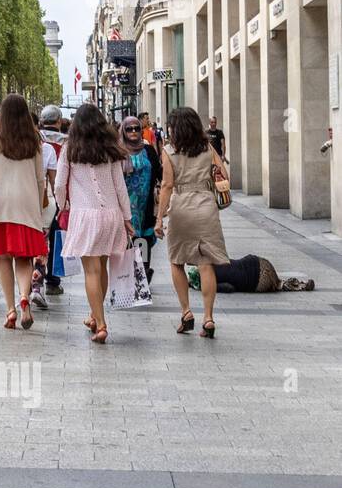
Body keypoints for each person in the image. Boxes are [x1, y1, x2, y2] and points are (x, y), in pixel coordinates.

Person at [55, 104, 133, 344]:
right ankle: (94, 315)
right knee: (102, 266)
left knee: (91, 271)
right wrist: (127, 218)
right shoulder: (110, 149)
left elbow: (59, 184)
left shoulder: (70, 149)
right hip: (111, 215)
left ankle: (101, 324)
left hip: (85, 215)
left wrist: (62, 206)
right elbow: (120, 187)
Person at [156, 106, 229, 338]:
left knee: (177, 261)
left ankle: (186, 311)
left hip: (181, 207)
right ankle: (208, 317)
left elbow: (167, 185)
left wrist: (159, 217)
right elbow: (223, 175)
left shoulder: (169, 151)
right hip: (206, 205)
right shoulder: (207, 147)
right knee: (205, 263)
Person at [0, 94, 47, 330]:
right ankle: (25, 298)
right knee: (24, 257)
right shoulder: (34, 138)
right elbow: (40, 178)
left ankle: (10, 310)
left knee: (2, 257)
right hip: (26, 203)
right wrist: (38, 208)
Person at [120, 115, 163, 281]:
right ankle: (128, 274)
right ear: (123, 131)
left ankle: (143, 271)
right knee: (127, 240)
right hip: (125, 205)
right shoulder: (118, 151)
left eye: (136, 128)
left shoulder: (149, 150)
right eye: (129, 129)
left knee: (144, 237)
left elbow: (160, 174)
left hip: (146, 204)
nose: (133, 132)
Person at [32, 105, 66, 305]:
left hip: (35, 198)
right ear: (59, 121)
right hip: (55, 198)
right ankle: (53, 280)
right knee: (56, 238)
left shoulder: (35, 140)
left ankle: (36, 279)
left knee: (38, 239)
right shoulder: (66, 142)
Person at [189, 254, 314, 293]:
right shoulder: (213, 260)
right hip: (259, 262)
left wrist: (205, 287)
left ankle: (299, 286)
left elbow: (229, 288)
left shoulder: (211, 281)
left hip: (257, 281)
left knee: (276, 284)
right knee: (277, 282)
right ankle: (301, 284)